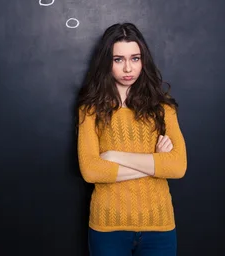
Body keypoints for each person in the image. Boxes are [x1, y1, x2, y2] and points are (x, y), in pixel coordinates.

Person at [76, 22, 187, 256]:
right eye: (118, 59)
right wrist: (156, 163)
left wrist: (114, 157)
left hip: (159, 226)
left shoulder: (163, 106)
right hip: (108, 228)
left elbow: (177, 167)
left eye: (135, 58)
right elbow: (91, 171)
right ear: (107, 62)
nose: (128, 68)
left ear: (143, 60)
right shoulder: (90, 109)